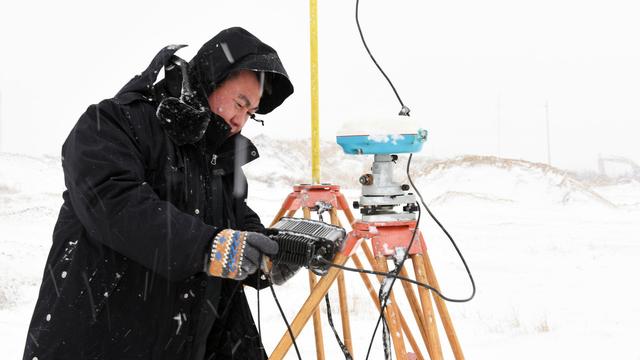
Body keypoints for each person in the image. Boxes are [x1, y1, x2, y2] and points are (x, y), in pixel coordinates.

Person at [23, 27, 296, 360]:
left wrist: (269, 256)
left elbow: (235, 224)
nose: (241, 120)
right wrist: (208, 246)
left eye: (251, 113)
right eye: (240, 103)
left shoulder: (218, 162)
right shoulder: (115, 122)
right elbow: (115, 203)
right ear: (212, 77)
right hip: (98, 341)